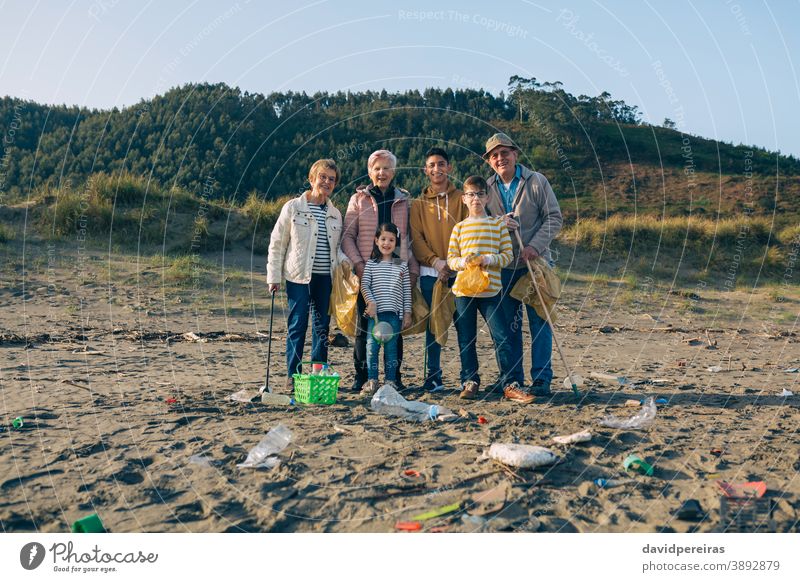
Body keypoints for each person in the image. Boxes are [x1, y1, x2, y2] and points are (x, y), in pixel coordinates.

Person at [483, 132, 563, 397]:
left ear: (515, 154)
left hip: (535, 263)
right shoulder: (487, 188)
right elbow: (483, 225)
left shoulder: (537, 181)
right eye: (494, 155)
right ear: (489, 161)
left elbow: (553, 218)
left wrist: (534, 247)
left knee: (540, 322)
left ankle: (541, 379)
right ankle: (512, 379)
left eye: (504, 152)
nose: (500, 158)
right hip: (504, 267)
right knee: (510, 326)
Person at [447, 175, 532, 404]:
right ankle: (470, 381)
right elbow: (450, 259)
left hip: (491, 292)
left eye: (480, 194)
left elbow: (506, 256)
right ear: (464, 199)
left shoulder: (497, 225)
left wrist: (487, 258)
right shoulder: (459, 228)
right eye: (471, 194)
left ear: (487, 197)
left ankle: (510, 383)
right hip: (463, 292)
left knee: (502, 336)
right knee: (466, 338)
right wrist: (464, 262)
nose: (475, 198)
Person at [341, 149, 419, 392]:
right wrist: (360, 266)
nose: (382, 173)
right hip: (368, 270)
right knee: (364, 330)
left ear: (393, 171)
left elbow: (407, 238)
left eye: (386, 168)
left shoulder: (403, 201)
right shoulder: (358, 200)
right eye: (377, 169)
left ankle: (394, 378)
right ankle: (362, 376)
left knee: (394, 328)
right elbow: (347, 237)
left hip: (395, 270)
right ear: (369, 172)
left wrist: (410, 270)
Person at [266, 159, 343, 391]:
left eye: (331, 179)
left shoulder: (336, 214)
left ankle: (318, 374)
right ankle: (293, 375)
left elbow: (338, 249)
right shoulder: (293, 207)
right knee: (298, 324)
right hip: (298, 276)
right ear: (312, 179)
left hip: (324, 278)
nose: (327, 182)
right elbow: (278, 242)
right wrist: (273, 277)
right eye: (323, 177)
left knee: (322, 327)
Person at [410, 147, 467, 391]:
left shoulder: (462, 198)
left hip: (461, 273)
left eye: (441, 164)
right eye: (432, 165)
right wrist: (436, 262)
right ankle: (433, 377)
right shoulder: (419, 203)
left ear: (449, 168)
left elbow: (469, 230)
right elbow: (416, 238)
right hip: (430, 275)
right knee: (434, 328)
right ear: (426, 170)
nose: (437, 169)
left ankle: (469, 378)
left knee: (464, 326)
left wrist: (454, 263)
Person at [360, 223, 412, 396]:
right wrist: (371, 302)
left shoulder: (401, 265)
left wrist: (407, 313)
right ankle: (372, 380)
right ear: (376, 240)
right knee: (371, 348)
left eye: (391, 240)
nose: (386, 243)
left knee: (391, 350)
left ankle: (390, 381)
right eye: (383, 239)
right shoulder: (371, 264)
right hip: (376, 316)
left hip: (394, 316)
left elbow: (406, 291)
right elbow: (364, 285)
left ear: (396, 242)